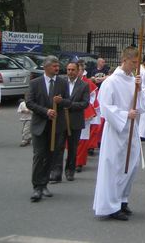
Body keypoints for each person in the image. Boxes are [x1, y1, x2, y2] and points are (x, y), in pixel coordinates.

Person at [93, 47, 145, 221]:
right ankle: (111, 205)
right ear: (124, 60)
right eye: (133, 63)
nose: (135, 67)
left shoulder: (134, 81)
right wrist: (125, 115)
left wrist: (139, 91)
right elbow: (105, 107)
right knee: (115, 167)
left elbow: (142, 106)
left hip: (131, 131)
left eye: (137, 64)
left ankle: (123, 200)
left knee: (130, 166)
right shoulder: (111, 82)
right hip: (116, 132)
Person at [26, 55, 71, 202]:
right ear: (45, 67)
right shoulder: (35, 83)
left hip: (56, 127)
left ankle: (44, 184)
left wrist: (61, 101)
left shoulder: (63, 83)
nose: (57, 68)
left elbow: (68, 102)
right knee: (39, 156)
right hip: (40, 125)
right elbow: (29, 102)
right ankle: (36, 187)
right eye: (54, 66)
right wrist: (46, 111)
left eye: (58, 66)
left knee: (51, 157)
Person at [50, 61, 89, 183]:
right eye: (68, 70)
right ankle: (56, 173)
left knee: (72, 148)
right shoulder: (60, 83)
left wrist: (68, 104)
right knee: (59, 147)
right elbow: (54, 98)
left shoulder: (83, 85)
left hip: (75, 120)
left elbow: (85, 103)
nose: (70, 72)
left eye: (73, 70)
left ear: (78, 71)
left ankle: (70, 170)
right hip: (61, 120)